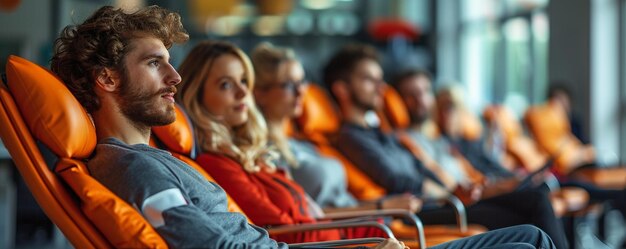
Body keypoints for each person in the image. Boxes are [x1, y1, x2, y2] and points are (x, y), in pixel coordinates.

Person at [176, 40, 557, 249]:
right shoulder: (226, 163)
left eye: (244, 80)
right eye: (228, 84)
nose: (243, 91)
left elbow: (306, 218)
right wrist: (375, 222)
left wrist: (376, 220)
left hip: (372, 229)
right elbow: (284, 230)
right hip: (370, 234)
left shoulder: (267, 154)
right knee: (528, 235)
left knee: (532, 227)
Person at [326, 44, 567, 249]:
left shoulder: (381, 133)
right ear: (342, 89)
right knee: (531, 216)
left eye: (381, 80)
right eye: (369, 80)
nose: (381, 88)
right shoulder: (350, 137)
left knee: (534, 202)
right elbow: (397, 179)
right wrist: (447, 194)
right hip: (417, 211)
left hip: (440, 200)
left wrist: (452, 189)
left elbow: (419, 167)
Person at [251, 42, 421, 213]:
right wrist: (380, 207)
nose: (300, 91)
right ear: (260, 93)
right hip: (348, 232)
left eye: (302, 82)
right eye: (288, 85)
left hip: (368, 223)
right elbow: (301, 217)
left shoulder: (302, 144)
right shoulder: (266, 153)